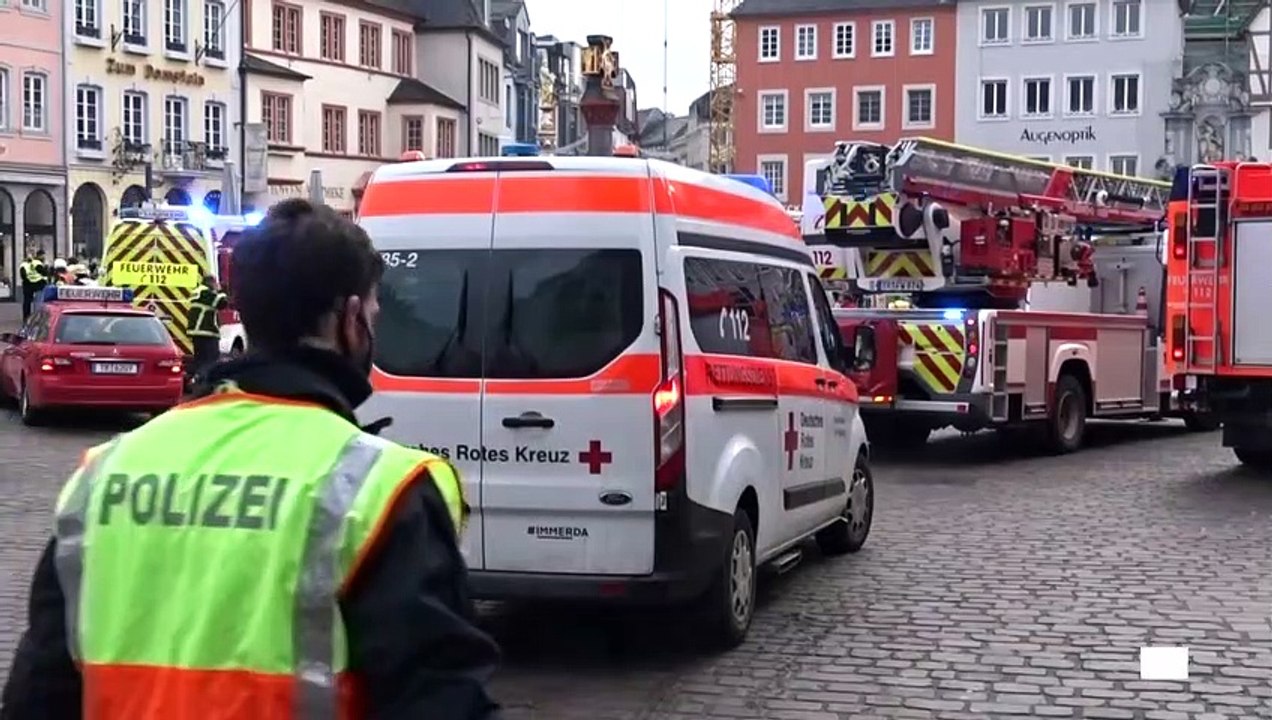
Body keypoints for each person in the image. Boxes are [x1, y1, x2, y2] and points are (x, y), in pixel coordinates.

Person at [0, 198, 504, 720]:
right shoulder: (378, 488)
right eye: (374, 312)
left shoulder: (105, 473)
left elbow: (38, 695)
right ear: (352, 319)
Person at [185, 273, 227, 381]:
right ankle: (201, 381)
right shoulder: (205, 292)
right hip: (207, 331)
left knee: (200, 359)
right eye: (215, 283)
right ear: (210, 283)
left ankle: (190, 379)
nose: (216, 285)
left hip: (197, 331)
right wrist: (220, 291)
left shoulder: (198, 292)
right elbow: (222, 303)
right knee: (211, 360)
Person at [18, 250, 47, 320]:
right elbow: (44, 273)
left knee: (27, 301)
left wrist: (28, 279)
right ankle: (37, 317)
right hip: (39, 284)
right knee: (38, 301)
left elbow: (23, 275)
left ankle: (26, 317)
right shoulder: (37, 263)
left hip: (27, 284)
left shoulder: (23, 264)